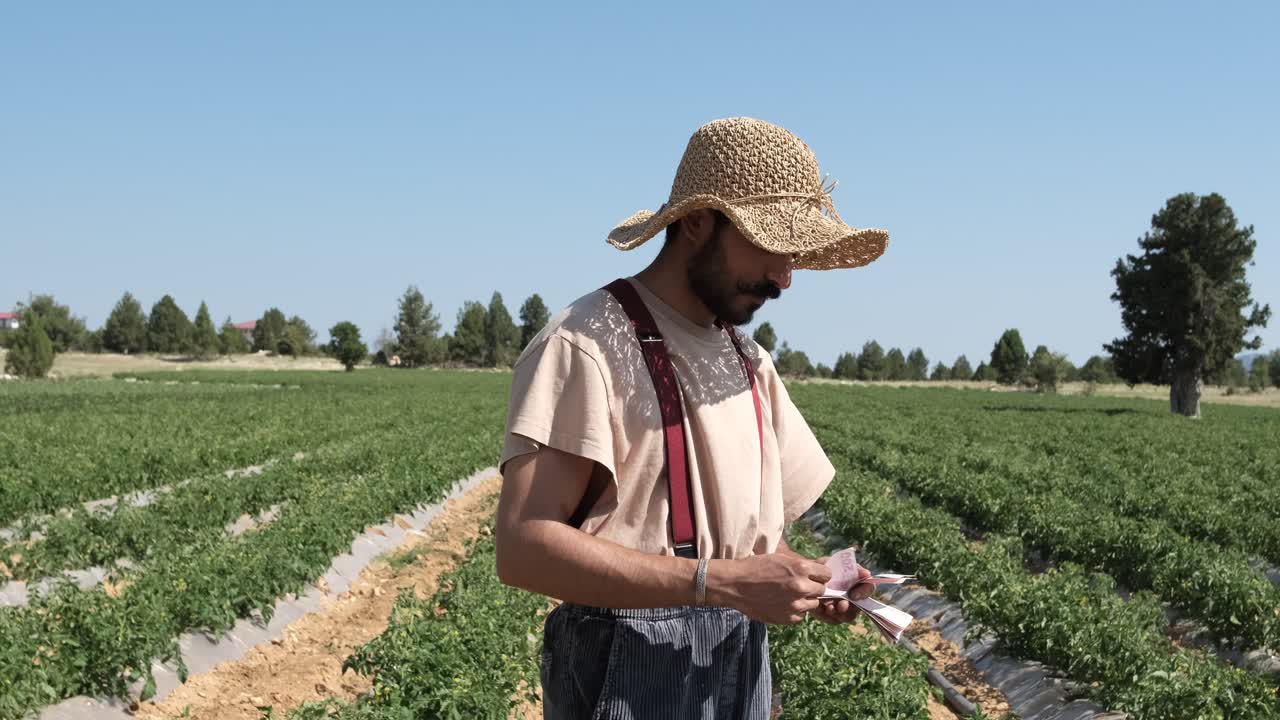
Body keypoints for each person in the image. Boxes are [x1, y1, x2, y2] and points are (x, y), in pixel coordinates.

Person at [496, 117, 889, 719]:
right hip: (625, 674)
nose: (785, 277)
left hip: (739, 662)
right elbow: (524, 548)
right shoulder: (588, 347)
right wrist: (720, 583)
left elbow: (751, 540)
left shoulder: (749, 362)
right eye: (771, 245)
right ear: (698, 223)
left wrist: (808, 580)